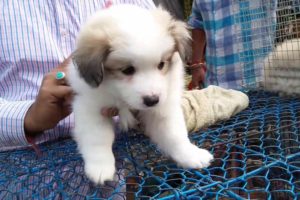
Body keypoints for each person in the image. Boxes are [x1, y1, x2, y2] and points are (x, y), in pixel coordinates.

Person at [0, 0, 155, 151]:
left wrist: (141, 103)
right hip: (23, 169)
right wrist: (29, 118)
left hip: (121, 164)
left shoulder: (137, 4)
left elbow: (165, 71)